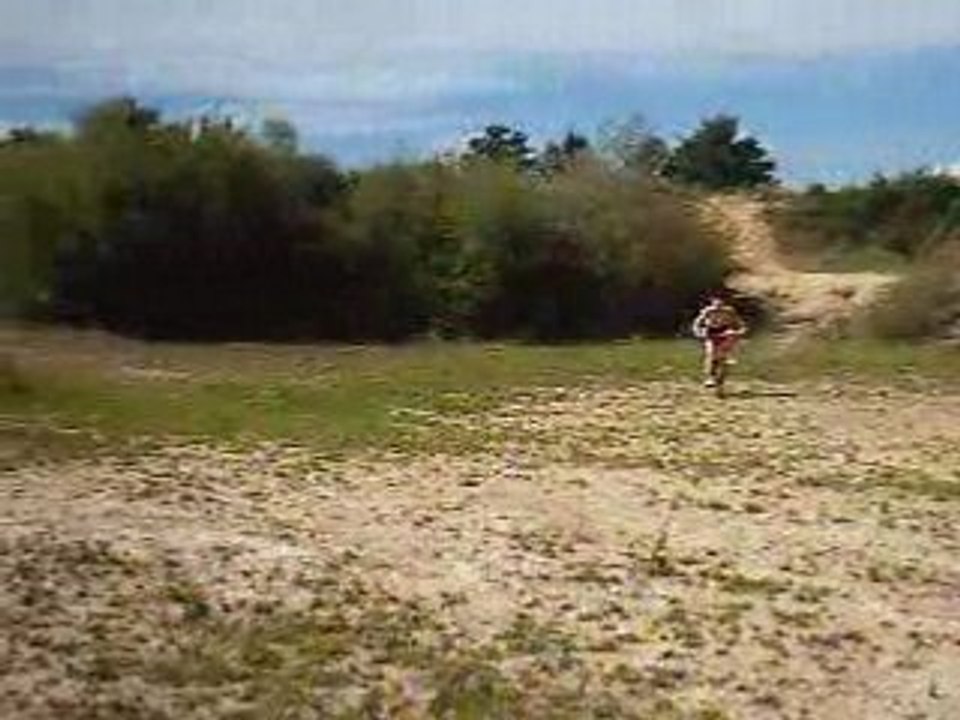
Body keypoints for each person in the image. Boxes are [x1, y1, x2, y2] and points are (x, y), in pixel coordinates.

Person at [691, 293, 747, 387]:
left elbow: (740, 324)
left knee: (723, 354)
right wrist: (698, 332)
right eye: (716, 303)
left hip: (725, 332)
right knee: (711, 354)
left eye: (720, 303)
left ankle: (723, 369)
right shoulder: (708, 311)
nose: (718, 306)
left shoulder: (729, 311)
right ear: (712, 303)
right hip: (710, 332)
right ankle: (710, 377)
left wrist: (740, 331)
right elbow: (697, 323)